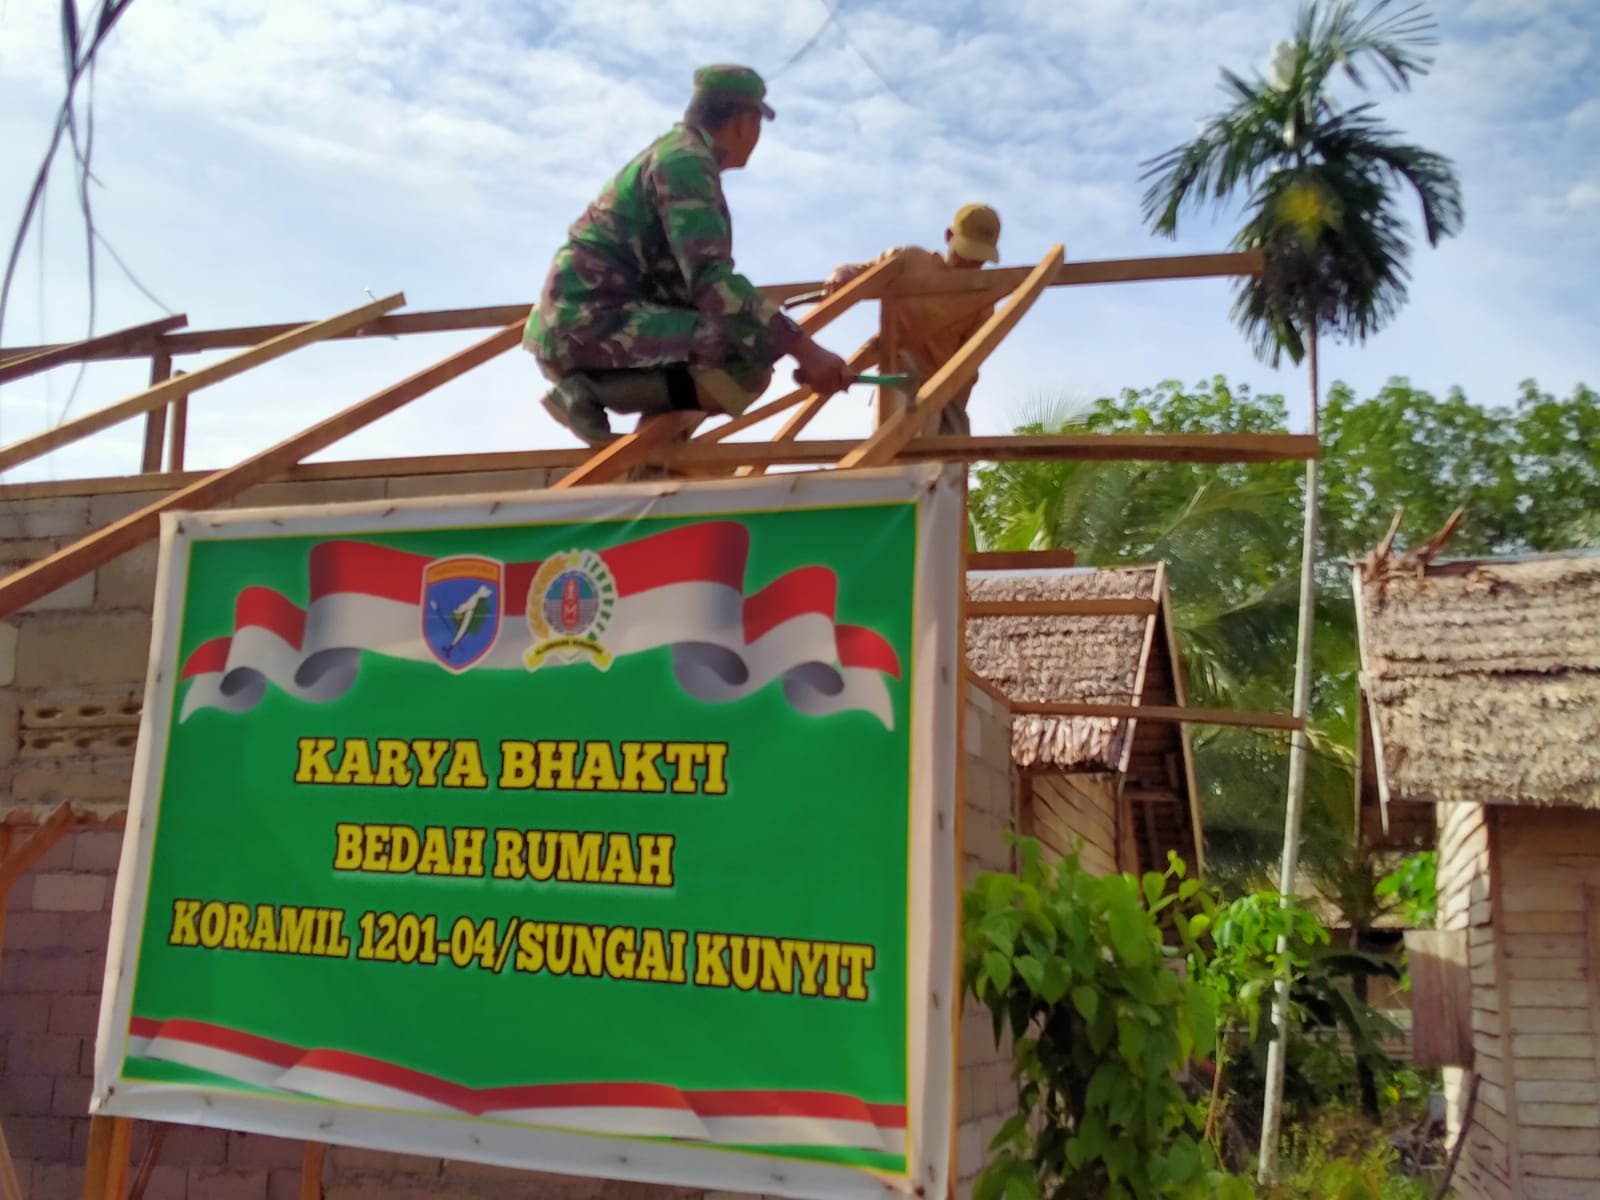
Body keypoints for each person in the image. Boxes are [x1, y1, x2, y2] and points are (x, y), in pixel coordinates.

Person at [526, 65, 854, 447]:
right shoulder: (686, 163)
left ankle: (653, 453)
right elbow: (711, 282)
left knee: (745, 340)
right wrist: (805, 350)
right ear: (745, 123)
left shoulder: (675, 153)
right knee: (743, 361)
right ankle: (587, 393)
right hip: (586, 326)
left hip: (583, 324)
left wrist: (777, 335)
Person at [824, 203, 1003, 435]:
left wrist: (955, 416)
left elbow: (968, 367)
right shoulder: (911, 261)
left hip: (938, 397)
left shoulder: (982, 301)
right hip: (895, 384)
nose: (971, 263)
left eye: (979, 259)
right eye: (967, 253)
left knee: (942, 465)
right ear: (949, 237)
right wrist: (842, 273)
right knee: (896, 460)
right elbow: (860, 271)